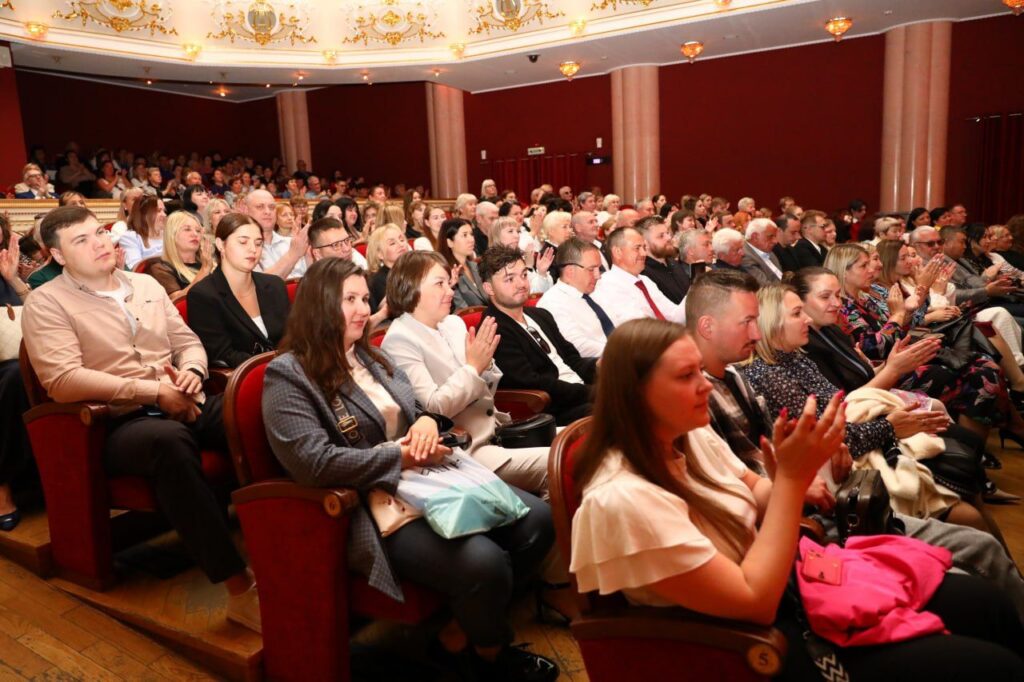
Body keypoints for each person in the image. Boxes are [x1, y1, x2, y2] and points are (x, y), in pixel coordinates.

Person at [571, 317, 1024, 679]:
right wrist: (790, 480)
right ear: (636, 394)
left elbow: (755, 490)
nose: (706, 384)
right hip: (749, 642)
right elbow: (754, 602)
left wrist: (799, 470)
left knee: (985, 604)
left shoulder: (685, 434)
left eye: (699, 370)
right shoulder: (622, 499)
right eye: (686, 376)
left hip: (794, 581)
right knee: (994, 667)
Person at [261, 257, 558, 681]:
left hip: (428, 478)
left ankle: (456, 635)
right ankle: (489, 655)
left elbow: (418, 411)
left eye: (365, 298)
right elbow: (314, 462)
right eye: (349, 300)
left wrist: (425, 423)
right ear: (320, 304)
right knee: (484, 563)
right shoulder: (289, 374)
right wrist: (399, 456)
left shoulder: (373, 356)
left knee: (539, 521)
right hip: (372, 503)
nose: (363, 309)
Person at [21, 206, 261, 632]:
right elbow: (62, 380)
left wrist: (192, 371)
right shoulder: (46, 302)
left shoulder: (145, 284)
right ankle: (237, 587)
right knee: (169, 442)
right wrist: (154, 393)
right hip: (114, 422)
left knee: (250, 413)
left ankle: (285, 544)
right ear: (57, 255)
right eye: (81, 240)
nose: (99, 243)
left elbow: (187, 342)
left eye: (99, 232)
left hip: (182, 396)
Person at [382, 251, 553, 495]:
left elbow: (486, 387)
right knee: (567, 460)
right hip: (463, 448)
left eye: (448, 283)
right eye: (440, 284)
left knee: (585, 441)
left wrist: (485, 366)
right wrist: (473, 367)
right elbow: (432, 409)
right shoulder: (400, 340)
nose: (451, 292)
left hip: (497, 430)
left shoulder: (452, 323)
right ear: (412, 288)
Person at [824, 243, 1024, 446]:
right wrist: (901, 314)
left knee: (985, 364)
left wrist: (912, 305)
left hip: (902, 355)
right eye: (864, 265)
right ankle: (973, 445)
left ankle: (979, 443)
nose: (874, 267)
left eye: (872, 261)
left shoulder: (865, 297)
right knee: (981, 374)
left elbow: (903, 326)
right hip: (883, 370)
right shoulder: (844, 306)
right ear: (844, 271)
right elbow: (874, 348)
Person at [482, 245, 597, 426]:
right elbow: (532, 383)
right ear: (489, 288)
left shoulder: (540, 315)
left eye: (523, 275)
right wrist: (592, 392)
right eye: (509, 279)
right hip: (552, 411)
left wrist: (601, 366)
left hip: (580, 392)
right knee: (619, 406)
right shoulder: (494, 329)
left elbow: (572, 359)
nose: (521, 284)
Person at [187, 213, 290, 369]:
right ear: (221, 245)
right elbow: (223, 354)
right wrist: (274, 366)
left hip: (289, 371)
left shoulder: (275, 285)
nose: (253, 249)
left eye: (258, 243)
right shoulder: (203, 295)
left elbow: (293, 336)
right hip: (246, 376)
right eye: (243, 242)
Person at [592, 227, 686, 326]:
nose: (644, 253)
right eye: (637, 248)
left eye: (644, 248)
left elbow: (674, 316)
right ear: (617, 252)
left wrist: (694, 289)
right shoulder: (607, 285)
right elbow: (638, 328)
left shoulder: (645, 280)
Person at [537, 239, 613, 358]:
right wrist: (620, 351)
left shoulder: (596, 290)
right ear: (570, 271)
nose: (598, 276)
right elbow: (577, 346)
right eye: (591, 269)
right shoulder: (552, 303)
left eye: (599, 268)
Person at [149, 211, 214, 301]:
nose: (195, 234)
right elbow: (177, 301)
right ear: (172, 234)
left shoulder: (209, 263)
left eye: (198, 231)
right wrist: (204, 271)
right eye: (187, 229)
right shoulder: (161, 268)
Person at [246, 189, 309, 280]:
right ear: (246, 211)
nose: (267, 212)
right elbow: (261, 284)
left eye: (272, 207)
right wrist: (293, 254)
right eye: (260, 207)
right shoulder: (243, 248)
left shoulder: (291, 242)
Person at [438, 218, 488, 309]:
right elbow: (461, 309)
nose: (471, 239)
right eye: (465, 235)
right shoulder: (447, 273)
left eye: (471, 234)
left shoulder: (475, 266)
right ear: (450, 242)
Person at [639, 217, 690, 304]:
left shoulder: (673, 263)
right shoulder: (644, 273)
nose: (669, 238)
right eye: (661, 236)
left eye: (668, 233)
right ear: (645, 243)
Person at [365, 223, 409, 313]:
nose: (401, 244)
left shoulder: (417, 269)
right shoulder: (377, 280)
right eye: (392, 243)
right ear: (380, 254)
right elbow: (396, 310)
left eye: (402, 239)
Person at [120, 194, 166, 270]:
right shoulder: (130, 237)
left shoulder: (168, 233)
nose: (164, 215)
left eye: (164, 211)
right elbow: (137, 268)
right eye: (158, 211)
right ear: (144, 214)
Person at [742, 218, 783, 285]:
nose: (775, 241)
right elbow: (765, 287)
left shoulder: (768, 251)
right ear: (755, 237)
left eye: (775, 236)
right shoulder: (745, 256)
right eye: (770, 237)